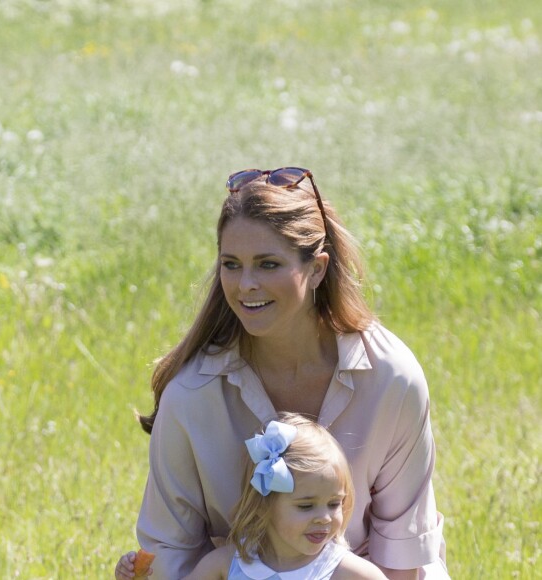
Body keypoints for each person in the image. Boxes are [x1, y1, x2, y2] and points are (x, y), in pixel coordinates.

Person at [116, 167, 449, 579]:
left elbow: (405, 551)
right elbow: (169, 550)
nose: (245, 284)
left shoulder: (391, 378)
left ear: (317, 269)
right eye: (231, 264)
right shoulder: (192, 392)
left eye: (268, 264)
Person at [117, 413, 387, 579]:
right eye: (306, 506)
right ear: (264, 506)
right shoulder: (230, 564)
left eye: (334, 503)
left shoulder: (347, 573)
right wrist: (136, 577)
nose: (324, 518)